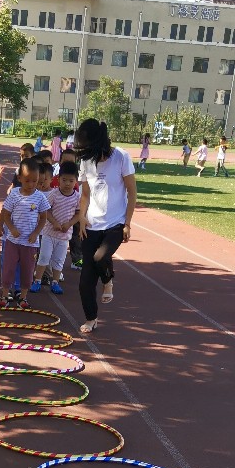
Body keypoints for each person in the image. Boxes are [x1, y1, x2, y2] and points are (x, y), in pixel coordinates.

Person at [74, 117, 136, 334]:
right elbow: (85, 194)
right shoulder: (86, 161)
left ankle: (108, 280)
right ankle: (91, 318)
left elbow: (132, 192)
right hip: (92, 224)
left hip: (115, 224)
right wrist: (82, 217)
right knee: (85, 282)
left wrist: (127, 223)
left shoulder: (121, 157)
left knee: (101, 257)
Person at [0, 156, 49, 309]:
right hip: (13, 241)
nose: (31, 184)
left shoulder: (40, 197)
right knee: (8, 268)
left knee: (27, 270)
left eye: (35, 181)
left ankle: (23, 297)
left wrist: (36, 233)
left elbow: (43, 218)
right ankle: (5, 295)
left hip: (30, 243)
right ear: (19, 178)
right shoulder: (14, 194)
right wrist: (10, 228)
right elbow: (6, 213)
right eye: (27, 181)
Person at [31, 158, 79, 295]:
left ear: (76, 181)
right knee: (44, 257)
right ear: (58, 180)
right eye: (64, 180)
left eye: (71, 181)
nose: (67, 183)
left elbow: (79, 214)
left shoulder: (76, 197)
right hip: (49, 233)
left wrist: (69, 223)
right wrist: (54, 222)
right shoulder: (54, 194)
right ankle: (37, 280)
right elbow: (46, 210)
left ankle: (55, 282)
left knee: (59, 260)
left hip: (64, 236)